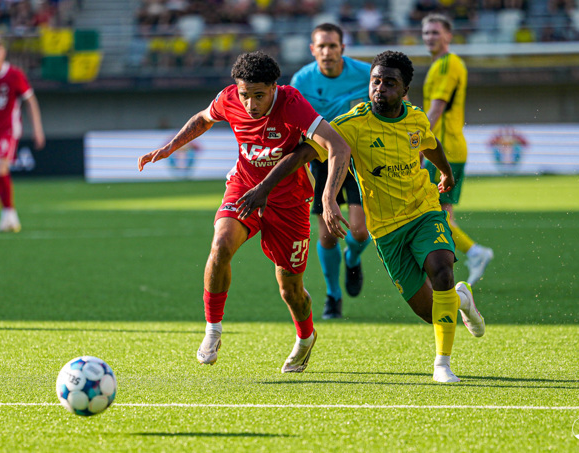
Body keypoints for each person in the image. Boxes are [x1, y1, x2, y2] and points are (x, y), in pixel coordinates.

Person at [242, 51, 485, 383]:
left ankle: (442, 364)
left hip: (424, 211)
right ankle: (461, 299)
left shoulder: (416, 118)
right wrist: (264, 187)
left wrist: (446, 172)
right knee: (431, 312)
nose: (380, 88)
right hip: (386, 229)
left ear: (404, 89)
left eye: (389, 83)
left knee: (441, 268)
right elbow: (303, 153)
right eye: (375, 81)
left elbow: (430, 144)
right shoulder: (351, 124)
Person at [138, 51, 350, 373]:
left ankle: (306, 337)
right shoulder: (229, 98)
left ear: (274, 88)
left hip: (290, 201)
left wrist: (329, 198)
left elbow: (339, 146)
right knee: (221, 245)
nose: (250, 104)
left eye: (259, 95)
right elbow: (204, 118)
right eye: (244, 95)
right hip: (244, 187)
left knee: (290, 289)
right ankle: (213, 331)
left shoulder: (292, 103)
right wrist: (170, 147)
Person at [290, 23, 372, 319]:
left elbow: (396, 101)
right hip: (321, 160)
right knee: (326, 236)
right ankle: (333, 296)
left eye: (332, 46)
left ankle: (352, 258)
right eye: (321, 46)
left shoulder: (366, 73)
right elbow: (293, 123)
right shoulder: (302, 80)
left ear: (342, 48)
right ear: (313, 50)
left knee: (360, 232)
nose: (327, 51)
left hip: (359, 157)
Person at [421, 14, 493, 286]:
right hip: (449, 148)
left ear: (448, 36)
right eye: (426, 33)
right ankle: (451, 266)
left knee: (431, 214)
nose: (430, 37)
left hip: (443, 150)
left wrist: (417, 144)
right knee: (441, 214)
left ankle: (473, 253)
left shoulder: (447, 64)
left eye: (435, 32)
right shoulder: (441, 64)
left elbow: (436, 109)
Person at [0, 34, 45, 232]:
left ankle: (9, 215)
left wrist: (37, 128)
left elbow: (30, 100)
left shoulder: (14, 75)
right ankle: (9, 216)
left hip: (8, 130)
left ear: (3, 53)